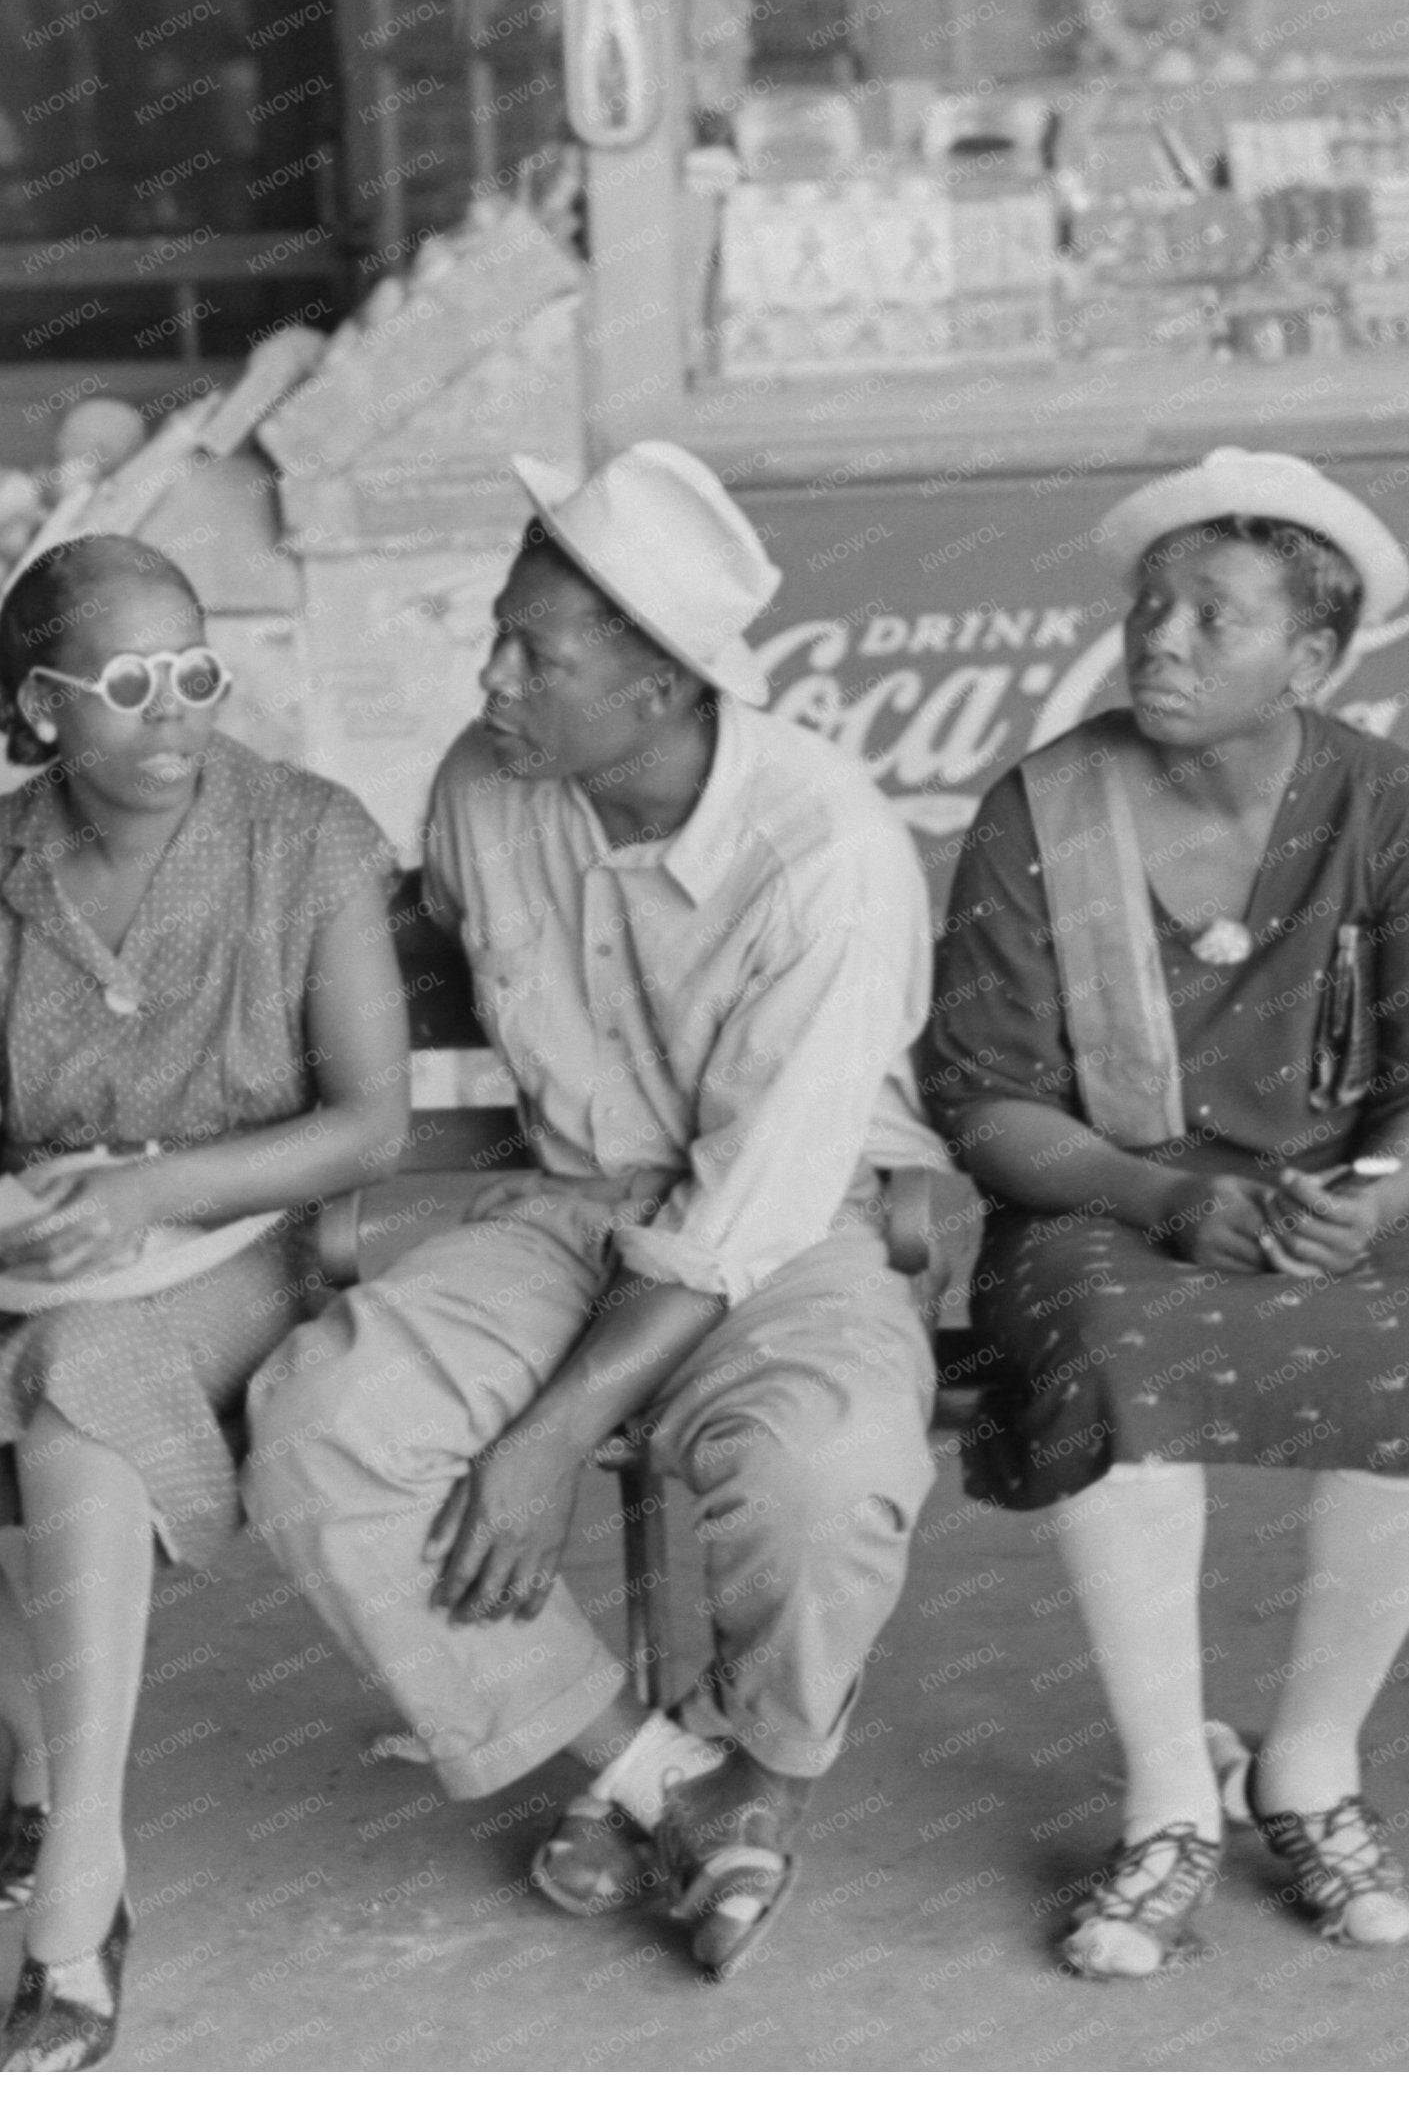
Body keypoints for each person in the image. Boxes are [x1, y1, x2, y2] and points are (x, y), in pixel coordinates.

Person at [242, 440, 946, 1984]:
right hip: (569, 1212)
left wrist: (545, 1437)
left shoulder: (824, 848)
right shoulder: (488, 784)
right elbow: (392, 935)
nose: (489, 678)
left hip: (789, 1226)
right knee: (320, 1421)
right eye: (496, 633)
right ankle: (664, 1780)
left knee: (826, 1474)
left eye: (531, 653)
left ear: (666, 687)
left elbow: (743, 1208)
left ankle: (761, 1760)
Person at [0, 535, 409, 2072]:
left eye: (194, 670)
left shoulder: (305, 837)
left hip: (240, 1259)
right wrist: (13, 1226)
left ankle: (77, 1896)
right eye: (128, 682)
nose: (175, 709)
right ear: (40, 706)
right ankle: (54, 1740)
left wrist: (145, 1196)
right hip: (47, 1273)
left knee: (79, 1384)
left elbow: (369, 1125)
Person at [926, 450, 1409, 1979]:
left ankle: (1308, 1768)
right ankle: (1170, 1798)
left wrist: (1371, 1207)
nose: (1161, 642)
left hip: (1338, 1209)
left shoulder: (1393, 808)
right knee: (1113, 1349)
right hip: (1111, 1204)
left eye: (1213, 618)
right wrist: (1165, 1198)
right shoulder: (1042, 808)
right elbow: (986, 1102)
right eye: (1149, 608)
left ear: (1311, 659)